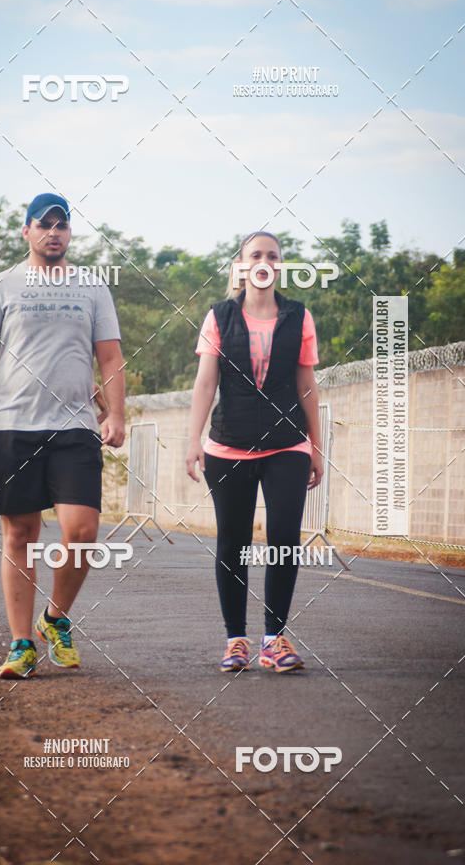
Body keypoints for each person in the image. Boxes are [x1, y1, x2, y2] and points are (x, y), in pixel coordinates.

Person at [0, 192, 125, 680]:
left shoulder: (92, 287)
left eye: (62, 225)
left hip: (75, 426)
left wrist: (117, 414)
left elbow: (109, 357)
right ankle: (21, 644)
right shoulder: (2, 286)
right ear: (26, 231)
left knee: (81, 533)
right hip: (12, 425)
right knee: (20, 533)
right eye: (44, 224)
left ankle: (55, 618)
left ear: (69, 233)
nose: (54, 232)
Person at [185, 232, 323, 673]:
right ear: (241, 266)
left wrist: (316, 446)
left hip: (288, 445)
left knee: (284, 541)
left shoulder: (299, 317)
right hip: (228, 445)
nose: (264, 261)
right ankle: (235, 641)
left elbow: (306, 387)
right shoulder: (219, 316)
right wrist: (193, 441)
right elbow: (206, 383)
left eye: (273, 255)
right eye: (255, 255)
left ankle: (274, 640)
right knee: (234, 541)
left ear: (280, 266)